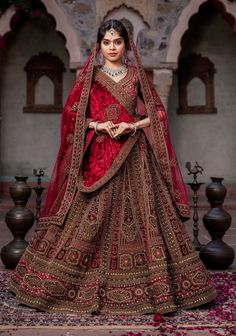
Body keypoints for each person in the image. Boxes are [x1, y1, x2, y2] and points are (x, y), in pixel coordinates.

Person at [9, 19, 216, 315]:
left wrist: (133, 125)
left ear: (126, 45)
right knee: (87, 221)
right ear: (99, 45)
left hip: (135, 157)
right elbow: (72, 116)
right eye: (107, 42)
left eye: (117, 41)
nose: (112, 47)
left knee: (148, 220)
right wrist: (99, 124)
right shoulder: (90, 78)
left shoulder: (135, 76)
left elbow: (157, 113)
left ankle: (158, 290)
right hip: (99, 157)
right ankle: (58, 286)